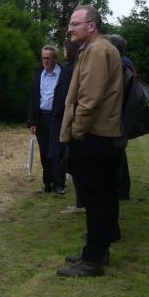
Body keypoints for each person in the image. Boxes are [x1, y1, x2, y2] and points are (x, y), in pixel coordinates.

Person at [58, 5, 124, 277]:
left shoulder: (97, 51)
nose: (70, 28)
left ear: (91, 26)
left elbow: (89, 98)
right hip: (102, 136)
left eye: (75, 24)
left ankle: (93, 260)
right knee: (104, 196)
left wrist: (77, 131)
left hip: (94, 136)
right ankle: (99, 250)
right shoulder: (96, 48)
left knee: (95, 197)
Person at [27, 45, 66, 196]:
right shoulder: (38, 74)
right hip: (41, 118)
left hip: (58, 118)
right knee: (44, 153)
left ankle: (59, 184)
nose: (46, 61)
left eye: (49, 58)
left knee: (57, 152)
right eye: (43, 58)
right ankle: (47, 183)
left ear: (55, 58)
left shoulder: (63, 74)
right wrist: (32, 121)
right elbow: (33, 98)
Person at [55, 39, 87, 216]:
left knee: (72, 163)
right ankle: (81, 202)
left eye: (64, 48)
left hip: (71, 123)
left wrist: (59, 118)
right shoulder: (77, 67)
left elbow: (65, 98)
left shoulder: (71, 70)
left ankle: (82, 203)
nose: (63, 51)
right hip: (74, 121)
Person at [103, 33, 134, 202]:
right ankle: (121, 188)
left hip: (118, 115)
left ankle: (121, 190)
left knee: (117, 153)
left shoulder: (122, 65)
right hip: (122, 114)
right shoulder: (127, 63)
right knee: (118, 152)